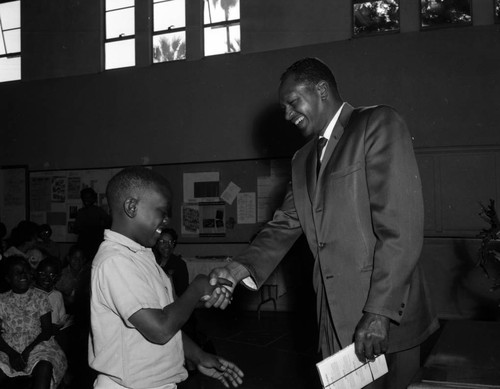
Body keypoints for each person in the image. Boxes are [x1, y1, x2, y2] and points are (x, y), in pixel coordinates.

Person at [207, 57, 439, 388]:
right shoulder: (302, 159)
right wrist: (236, 268)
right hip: (332, 318)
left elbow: (399, 229)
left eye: (292, 102)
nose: (287, 115)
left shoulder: (375, 124)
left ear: (321, 90)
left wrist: (379, 312)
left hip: (381, 316)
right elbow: (284, 223)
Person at [89, 166, 244, 389]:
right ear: (132, 207)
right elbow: (159, 329)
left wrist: (197, 355)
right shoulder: (114, 261)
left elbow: (169, 320)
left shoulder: (143, 257)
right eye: (162, 212)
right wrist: (197, 288)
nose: (166, 221)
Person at [0, 255, 67, 389]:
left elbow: (47, 331)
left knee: (45, 365)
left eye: (25, 271)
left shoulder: (40, 296)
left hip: (37, 343)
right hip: (8, 346)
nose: (23, 275)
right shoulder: (2, 300)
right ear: (8, 278)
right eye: (17, 273)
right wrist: (12, 354)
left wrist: (27, 351)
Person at [74, 187, 111, 260]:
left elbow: (108, 224)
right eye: (84, 198)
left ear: (93, 199)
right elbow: (76, 229)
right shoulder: (81, 212)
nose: (86, 200)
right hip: (83, 243)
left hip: (96, 243)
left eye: (89, 197)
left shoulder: (99, 211)